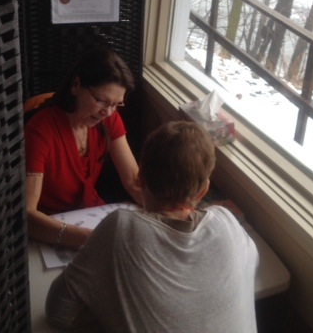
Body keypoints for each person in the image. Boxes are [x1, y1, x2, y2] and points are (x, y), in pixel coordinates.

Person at [45, 121, 260, 333]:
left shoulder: (121, 229)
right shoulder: (227, 222)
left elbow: (58, 313)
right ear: (203, 191)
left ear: (140, 178)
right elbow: (251, 267)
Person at [25, 48, 143, 249]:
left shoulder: (109, 119)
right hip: (50, 228)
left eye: (116, 104)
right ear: (76, 85)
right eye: (101, 100)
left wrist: (166, 214)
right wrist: (88, 239)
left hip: (92, 218)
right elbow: (27, 214)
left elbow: (133, 180)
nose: (108, 112)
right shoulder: (41, 130)